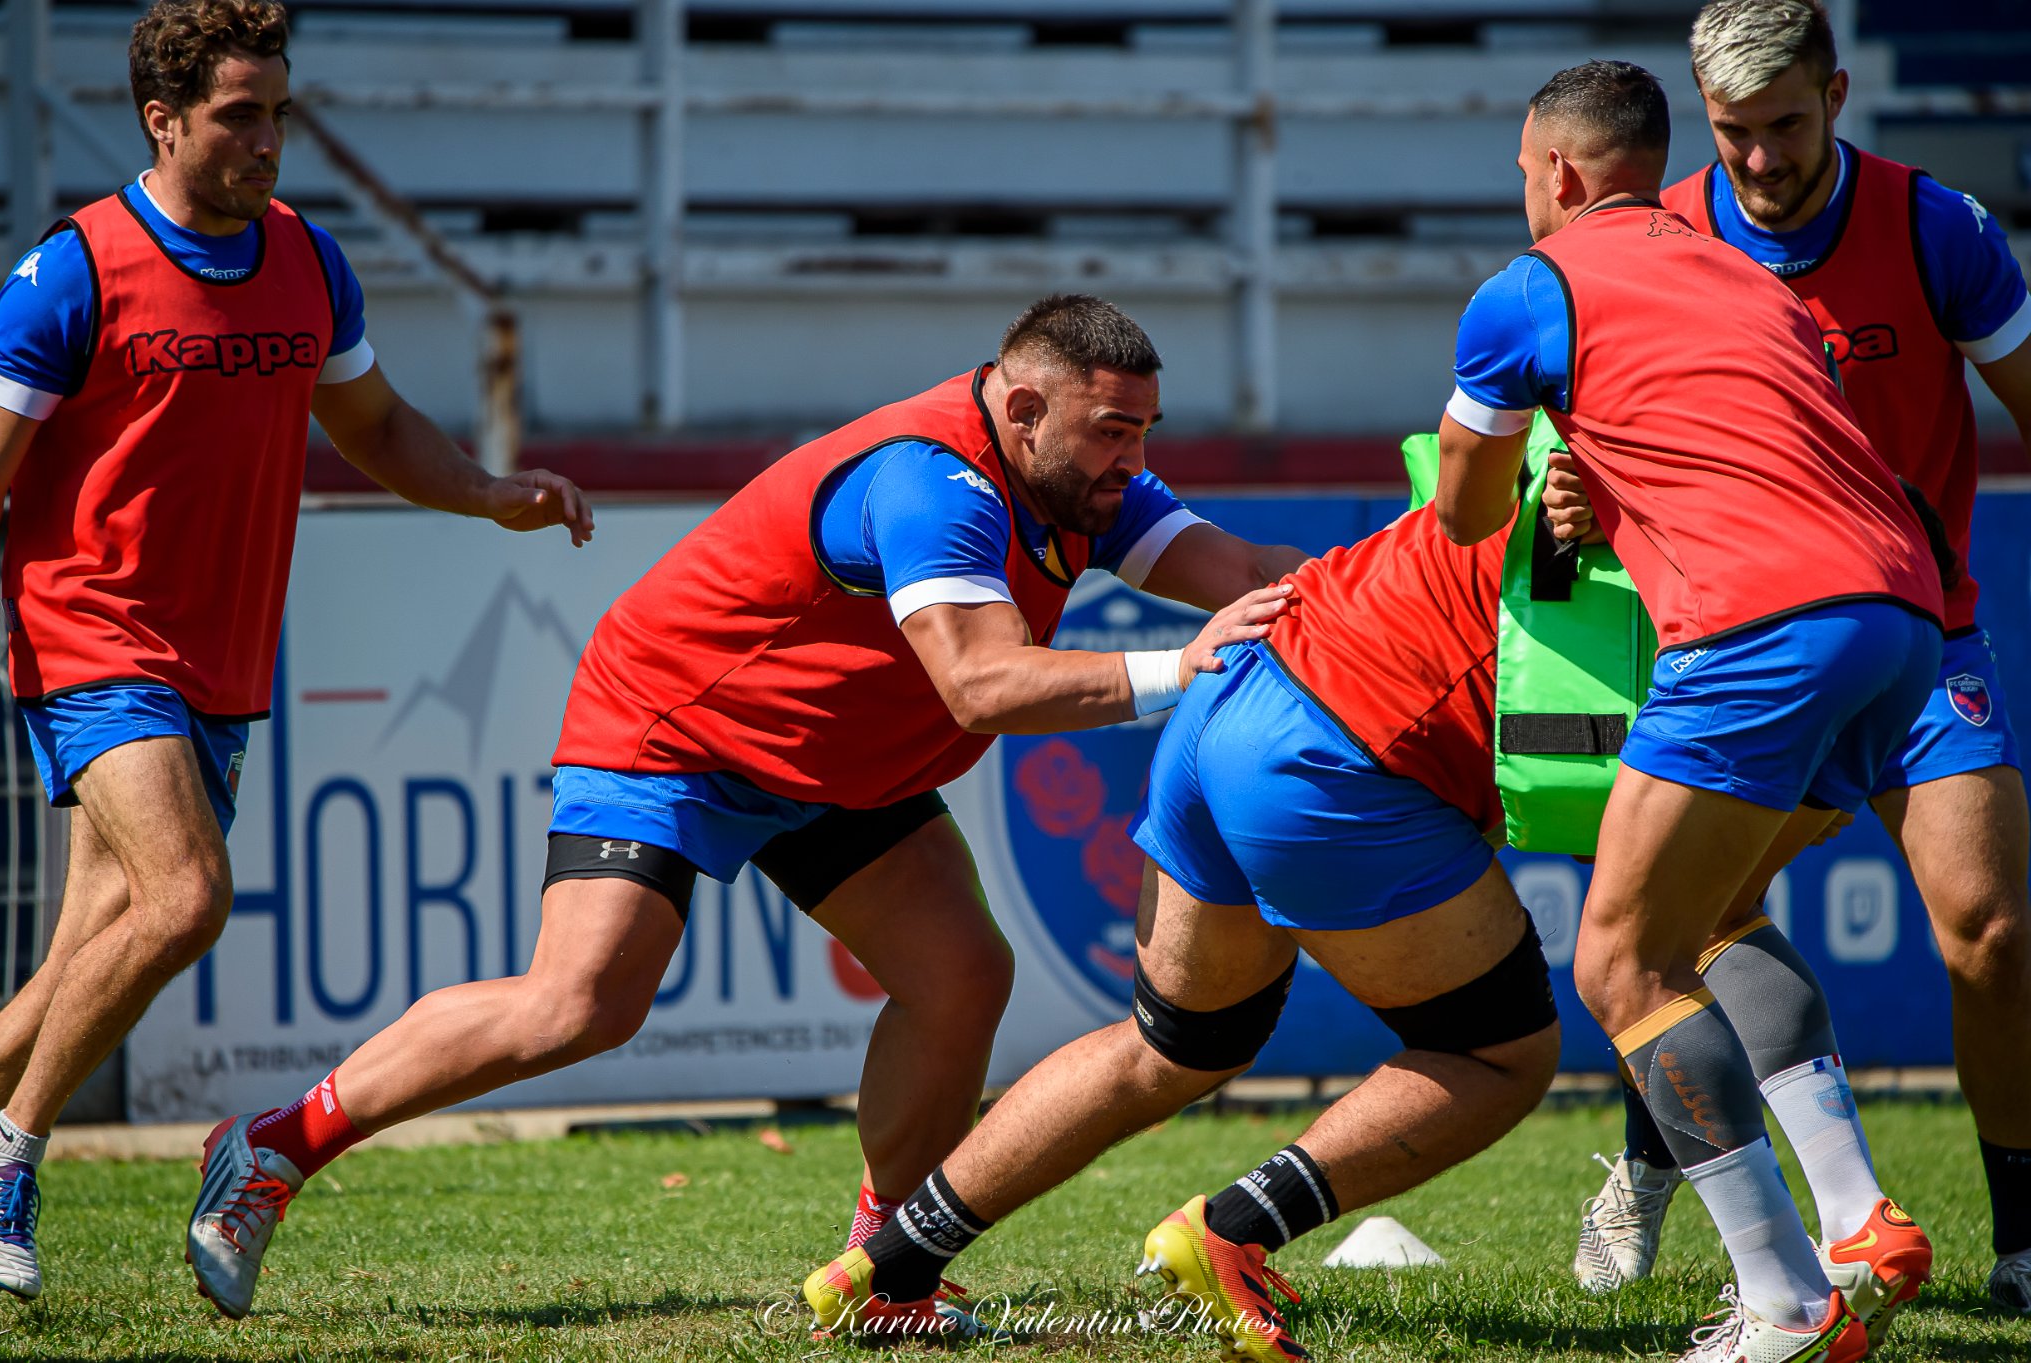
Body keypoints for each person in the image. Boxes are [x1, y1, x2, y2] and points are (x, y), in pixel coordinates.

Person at [183, 293, 1310, 1319]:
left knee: (962, 974)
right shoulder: (931, 481)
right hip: (679, 730)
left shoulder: (1081, 478)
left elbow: (1247, 569)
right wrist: (1181, 668)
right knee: (579, 1004)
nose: (1134, 459)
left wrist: (1380, 583)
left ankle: (888, 1271)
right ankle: (274, 1143)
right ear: (1023, 410)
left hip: (831, 762)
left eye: (1145, 431)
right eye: (1114, 431)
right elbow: (981, 684)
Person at [0, 0, 592, 1301]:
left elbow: (375, 426)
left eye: (279, 112)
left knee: (79, 963)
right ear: (161, 121)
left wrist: (493, 492)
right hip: (90, 630)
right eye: (237, 116)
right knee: (187, 897)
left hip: (219, 656)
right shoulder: (70, 271)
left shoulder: (308, 260)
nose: (267, 140)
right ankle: (8, 1155)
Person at [1437, 59, 1942, 1363]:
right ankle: (1857, 1217)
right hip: (1902, 616)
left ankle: (1782, 1302)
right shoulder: (1748, 273)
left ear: (1555, 172)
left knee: (1619, 960)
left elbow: (1465, 511)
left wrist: (1545, 459)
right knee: (1712, 915)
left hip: (1757, 625)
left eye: (1523, 171)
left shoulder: (1527, 290)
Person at [800, 500, 1560, 1361]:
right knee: (1499, 1054)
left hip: (1240, 685)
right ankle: (1230, 1230)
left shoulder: (1537, 447)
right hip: (1329, 751)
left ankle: (884, 1268)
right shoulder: (1657, 499)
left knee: (1172, 1045)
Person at [1564, 1, 2031, 1316]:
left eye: (1783, 125)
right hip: (1746, 641)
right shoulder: (1667, 240)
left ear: (1835, 95)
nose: (1760, 159)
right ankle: (1669, 1153)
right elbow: (1602, 427)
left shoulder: (1934, 228)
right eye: (1732, 133)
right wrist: (1574, 490)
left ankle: (2020, 1240)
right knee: (1674, 925)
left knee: (1990, 929)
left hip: (1921, 635)